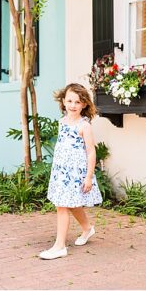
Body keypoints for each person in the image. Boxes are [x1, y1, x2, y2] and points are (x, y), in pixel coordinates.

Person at [39, 83, 103, 260]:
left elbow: (91, 152)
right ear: (63, 102)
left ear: (84, 104)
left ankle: (60, 246)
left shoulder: (84, 126)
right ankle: (87, 228)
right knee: (71, 205)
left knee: (63, 206)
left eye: (77, 101)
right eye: (69, 101)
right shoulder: (62, 122)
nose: (73, 105)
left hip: (76, 174)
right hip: (61, 172)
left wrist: (89, 177)